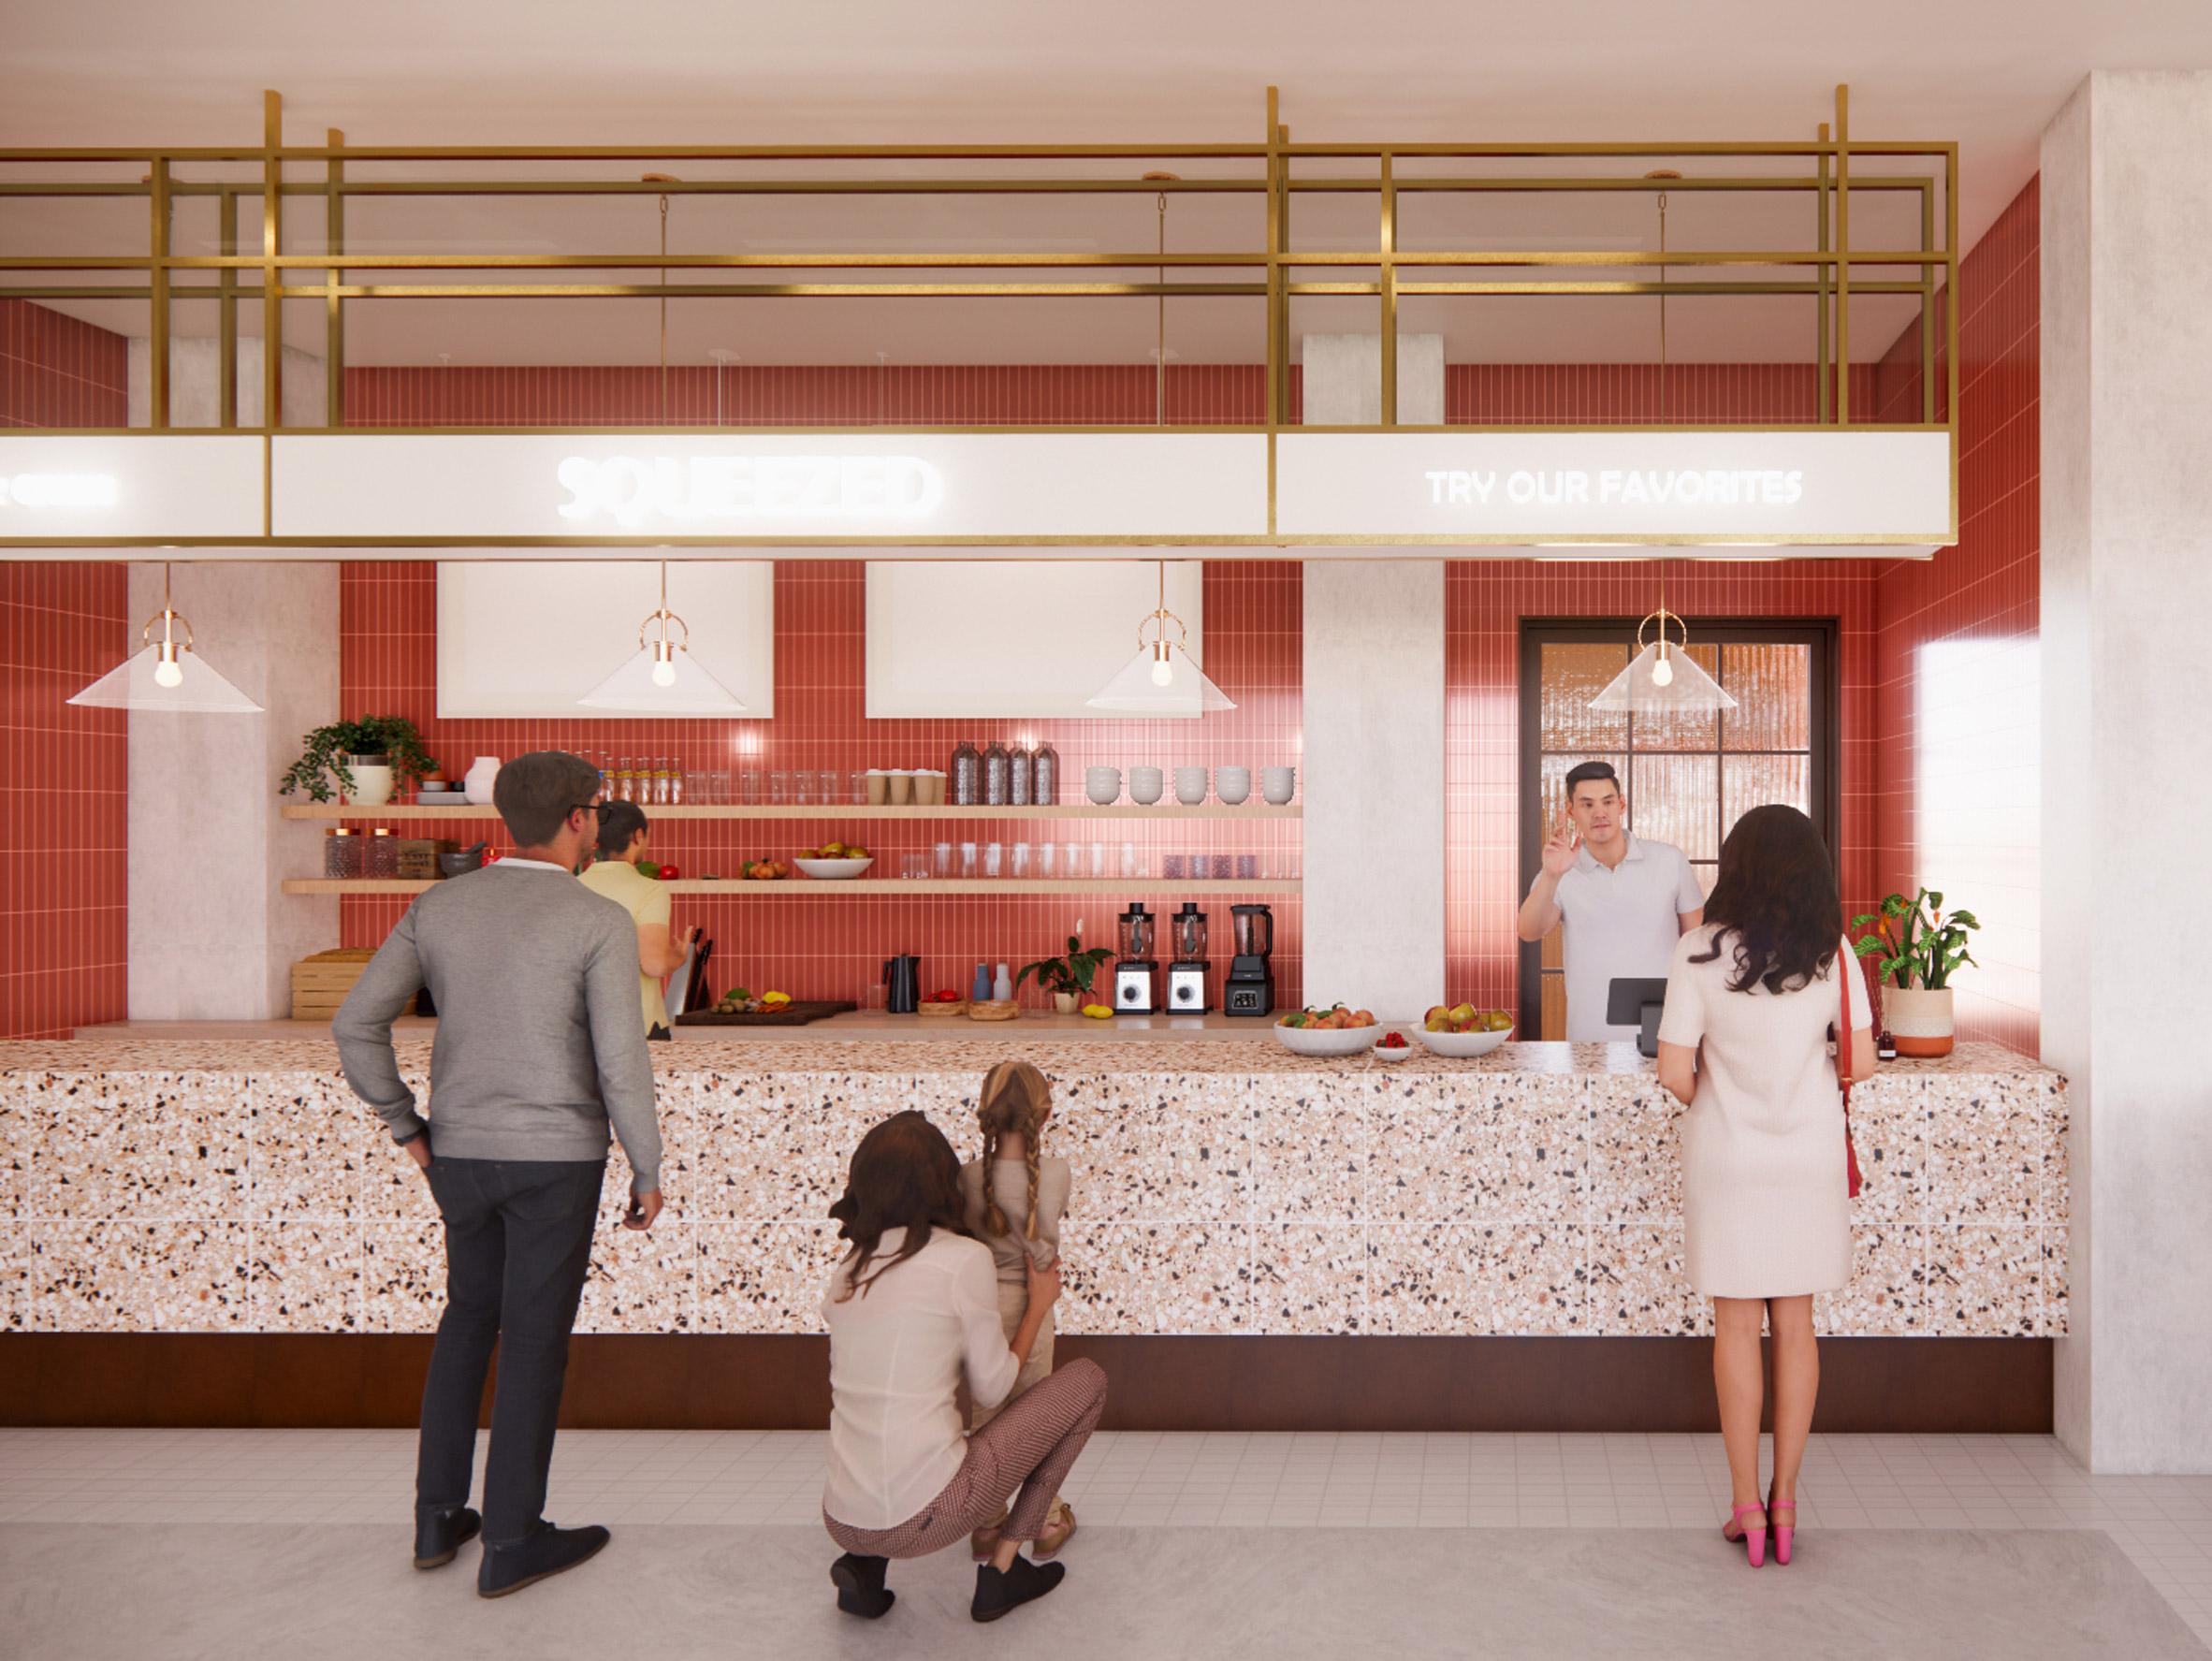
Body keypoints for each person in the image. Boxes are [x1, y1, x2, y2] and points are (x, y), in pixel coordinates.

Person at [333, 750, 664, 1599]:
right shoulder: (596, 919)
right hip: (555, 1162)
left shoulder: (439, 904)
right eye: (593, 812)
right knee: (533, 1345)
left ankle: (438, 1516)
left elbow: (355, 1023)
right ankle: (513, 1539)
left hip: (460, 1156)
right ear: (581, 819)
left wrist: (408, 1125)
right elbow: (620, 1059)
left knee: (467, 1322)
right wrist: (646, 1162)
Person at [1652, 803, 1874, 1569]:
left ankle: (1745, 1503)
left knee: (1738, 1327)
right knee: (1799, 1325)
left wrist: (1720, 1089)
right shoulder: (1833, 952)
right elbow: (1863, 1064)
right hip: (1807, 1159)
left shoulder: (1696, 951)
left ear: (1735, 866)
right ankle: (1786, 1503)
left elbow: (1675, 1072)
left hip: (1730, 1158)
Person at [820, 1111, 1107, 1625]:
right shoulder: (960, 1259)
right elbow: (994, 1387)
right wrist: (1039, 1304)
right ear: (945, 1183)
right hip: (931, 1515)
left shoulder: (847, 1270)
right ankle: (1003, 1568)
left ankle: (864, 1565)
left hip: (839, 1516)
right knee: (1088, 1381)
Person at [957, 1061, 1076, 1561]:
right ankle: (1046, 1523)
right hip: (1036, 1303)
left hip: (982, 1305)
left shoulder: (965, 1178)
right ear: (1045, 1117)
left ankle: (986, 1526)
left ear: (983, 1114)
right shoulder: (1055, 1173)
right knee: (1036, 1419)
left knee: (987, 1418)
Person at [1517, 759, 1705, 1041]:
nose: (1599, 813)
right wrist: (1552, 875)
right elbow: (1529, 931)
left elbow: (1698, 944)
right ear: (1570, 811)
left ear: (1622, 805)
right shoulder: (1561, 872)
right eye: (1587, 804)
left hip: (1665, 1031)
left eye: (1607, 802)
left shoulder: (1669, 860)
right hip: (1589, 1036)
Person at [578, 799, 698, 1039]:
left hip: (583, 1027)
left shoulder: (572, 886)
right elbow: (655, 965)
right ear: (638, 835)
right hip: (638, 1026)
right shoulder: (649, 890)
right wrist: (679, 956)